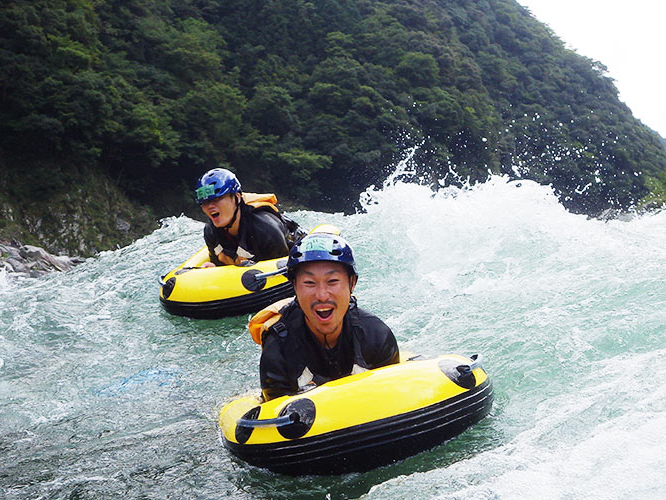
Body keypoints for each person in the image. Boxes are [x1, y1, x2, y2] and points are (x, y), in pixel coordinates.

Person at [252, 232, 400, 401]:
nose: (322, 295)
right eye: (309, 283)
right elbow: (276, 410)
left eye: (332, 281)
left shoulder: (376, 336)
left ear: (352, 283)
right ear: (295, 286)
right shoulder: (278, 350)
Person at [194, 168, 305, 267]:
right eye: (205, 202)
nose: (210, 206)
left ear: (237, 198)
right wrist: (213, 267)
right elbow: (218, 263)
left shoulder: (265, 229)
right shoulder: (210, 231)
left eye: (217, 199)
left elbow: (286, 271)